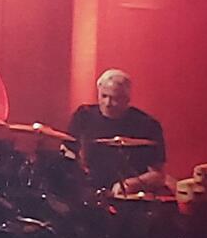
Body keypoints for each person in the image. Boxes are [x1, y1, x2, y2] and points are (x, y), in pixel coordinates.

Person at [66, 68, 167, 196]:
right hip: (89, 191)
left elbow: (158, 176)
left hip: (128, 196)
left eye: (115, 98)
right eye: (104, 96)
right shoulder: (84, 115)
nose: (107, 103)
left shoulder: (147, 125)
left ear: (127, 99)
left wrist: (131, 184)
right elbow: (68, 151)